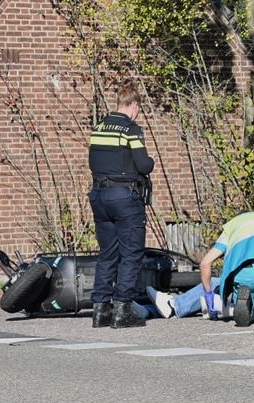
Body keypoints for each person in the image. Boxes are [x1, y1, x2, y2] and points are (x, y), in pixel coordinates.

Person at [88, 79, 154, 329]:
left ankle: (100, 310)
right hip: (125, 198)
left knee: (107, 254)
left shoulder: (99, 128)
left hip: (99, 196)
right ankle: (122, 310)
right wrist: (151, 163)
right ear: (134, 105)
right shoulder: (130, 129)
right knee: (131, 253)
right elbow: (143, 164)